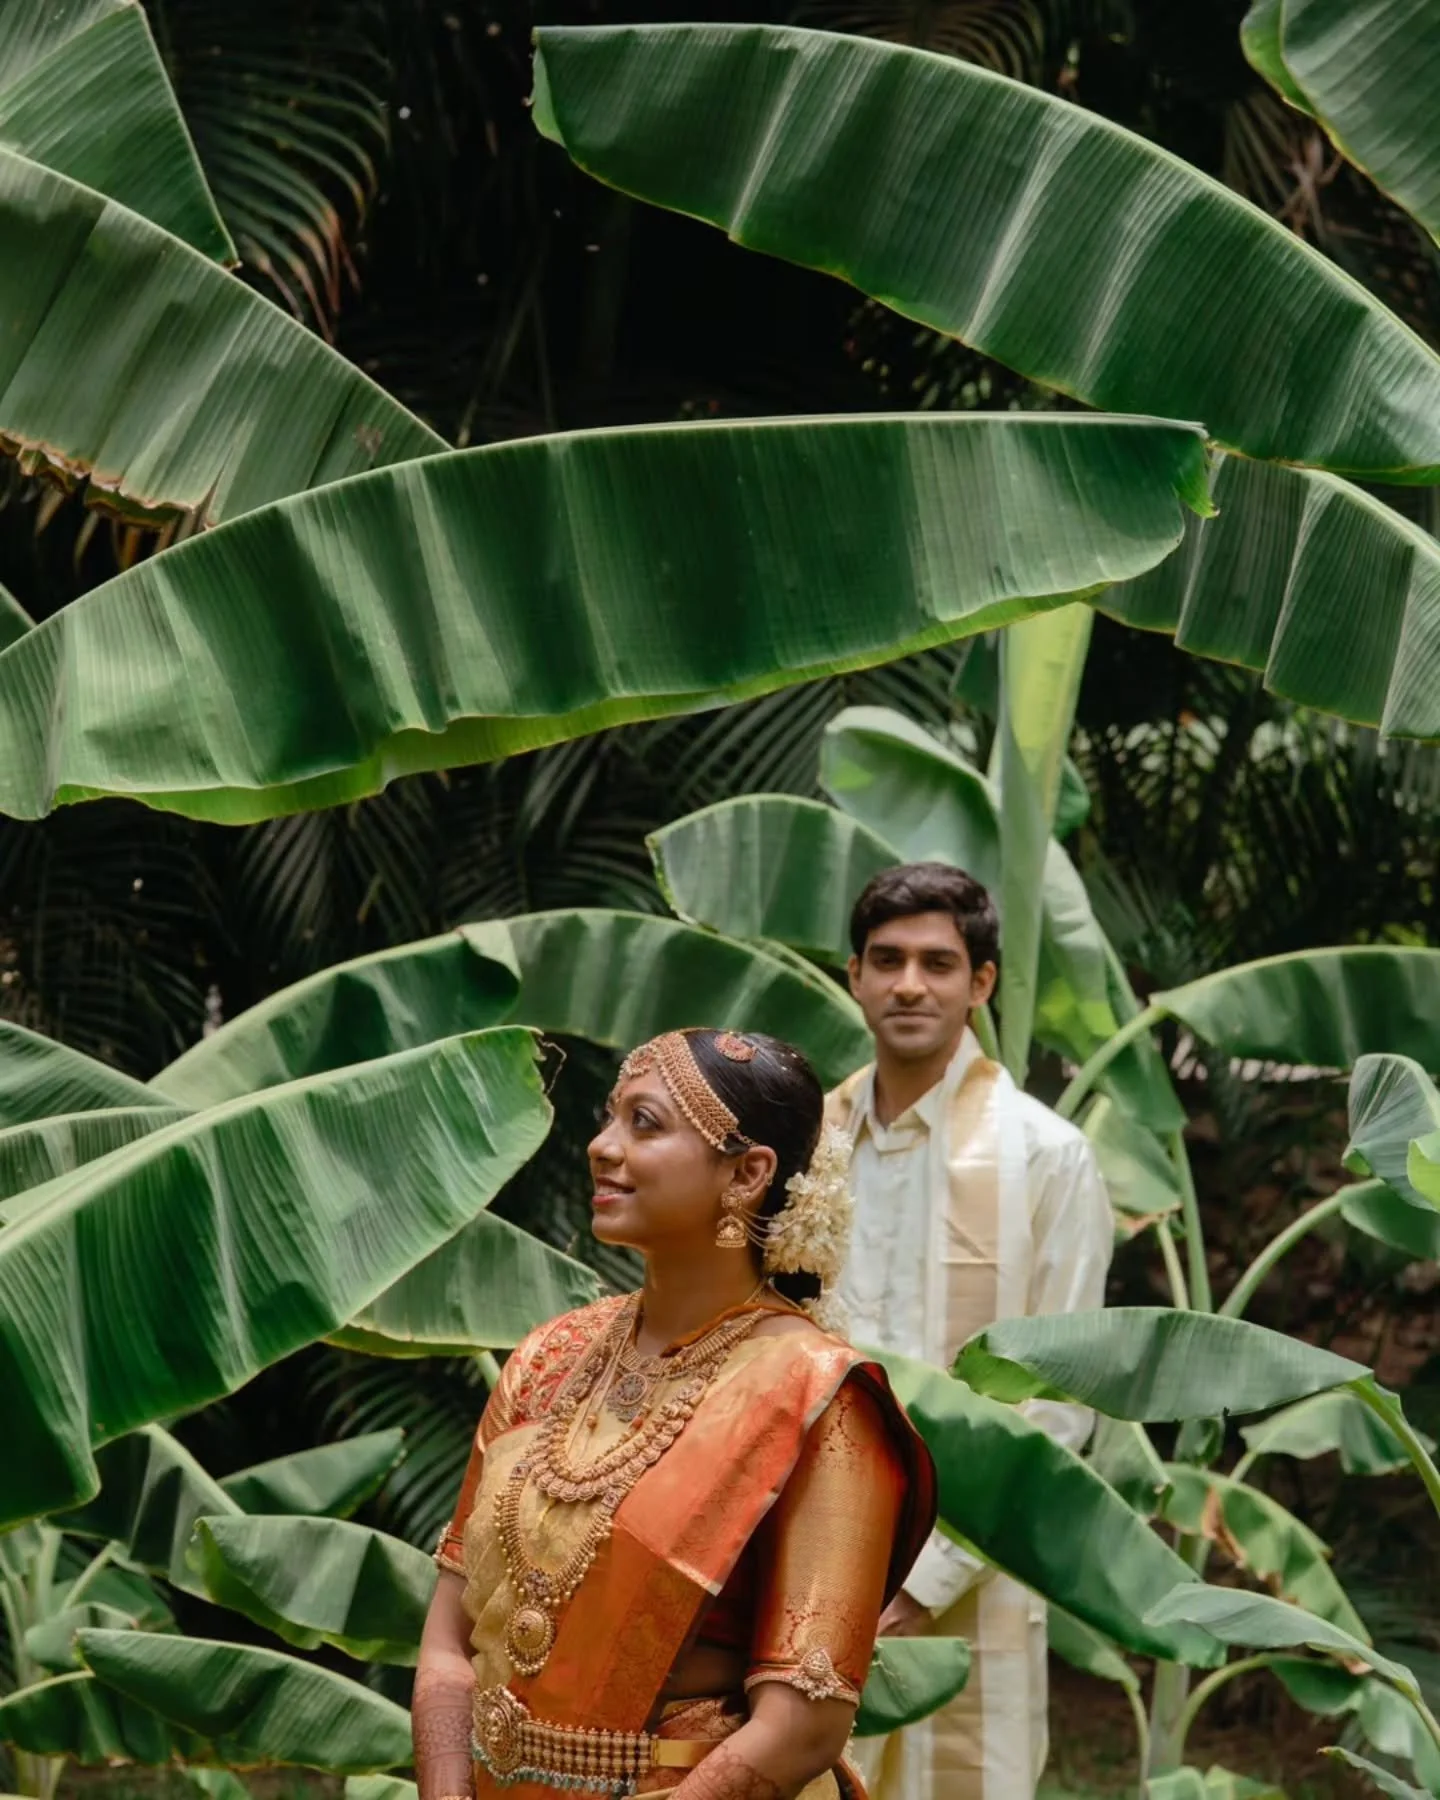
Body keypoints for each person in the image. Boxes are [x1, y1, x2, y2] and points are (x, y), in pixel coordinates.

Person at [414, 1027, 937, 1800]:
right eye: (609, 1116)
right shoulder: (550, 1356)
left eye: (645, 1124)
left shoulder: (819, 1399)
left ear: (748, 1172)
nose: (601, 1146)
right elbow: (447, 1641)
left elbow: (802, 1725)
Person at [828, 864, 1114, 1800]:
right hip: (808, 1544)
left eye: (938, 963)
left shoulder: (1048, 1158)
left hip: (974, 1571)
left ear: (980, 983)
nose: (911, 983)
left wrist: (922, 1583)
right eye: (888, 960)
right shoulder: (804, 1145)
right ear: (854, 975)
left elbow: (1060, 1402)